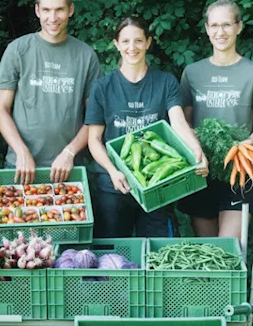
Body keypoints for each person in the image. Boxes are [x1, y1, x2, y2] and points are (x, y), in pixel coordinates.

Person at [86, 16, 208, 237]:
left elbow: (178, 122)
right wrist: (113, 171)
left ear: (148, 42)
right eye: (125, 42)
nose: (132, 48)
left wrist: (196, 149)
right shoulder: (102, 87)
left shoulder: (165, 82)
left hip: (157, 183)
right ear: (116, 44)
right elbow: (94, 140)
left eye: (138, 41)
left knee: (157, 253)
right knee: (113, 252)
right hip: (113, 184)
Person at [177, 0, 253, 238]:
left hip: (239, 171)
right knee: (210, 252)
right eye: (215, 25)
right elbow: (185, 123)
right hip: (201, 171)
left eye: (227, 25)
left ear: (239, 27)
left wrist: (246, 145)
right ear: (207, 28)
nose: (221, 32)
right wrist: (193, 140)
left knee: (230, 248)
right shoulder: (192, 72)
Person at [0, 0, 101, 185]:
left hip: (67, 168)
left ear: (71, 10)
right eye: (46, 10)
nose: (52, 18)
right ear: (37, 10)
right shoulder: (18, 50)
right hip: (21, 166)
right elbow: (1, 109)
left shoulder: (86, 55)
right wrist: (21, 151)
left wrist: (70, 152)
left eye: (59, 10)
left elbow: (94, 116)